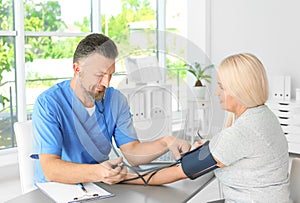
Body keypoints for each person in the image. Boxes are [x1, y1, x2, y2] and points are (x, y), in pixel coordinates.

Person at [124, 53, 291, 202]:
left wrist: (125, 177)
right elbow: (237, 149)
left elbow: (181, 171)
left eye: (222, 87)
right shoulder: (263, 116)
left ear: (240, 90)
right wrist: (208, 149)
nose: (216, 92)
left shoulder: (242, 132)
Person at [32, 33, 191, 185]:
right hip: (58, 189)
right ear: (77, 69)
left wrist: (167, 142)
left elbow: (132, 153)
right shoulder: (49, 103)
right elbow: (50, 169)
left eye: (110, 75)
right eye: (99, 75)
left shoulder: (115, 100)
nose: (106, 83)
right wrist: (98, 172)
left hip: (99, 185)